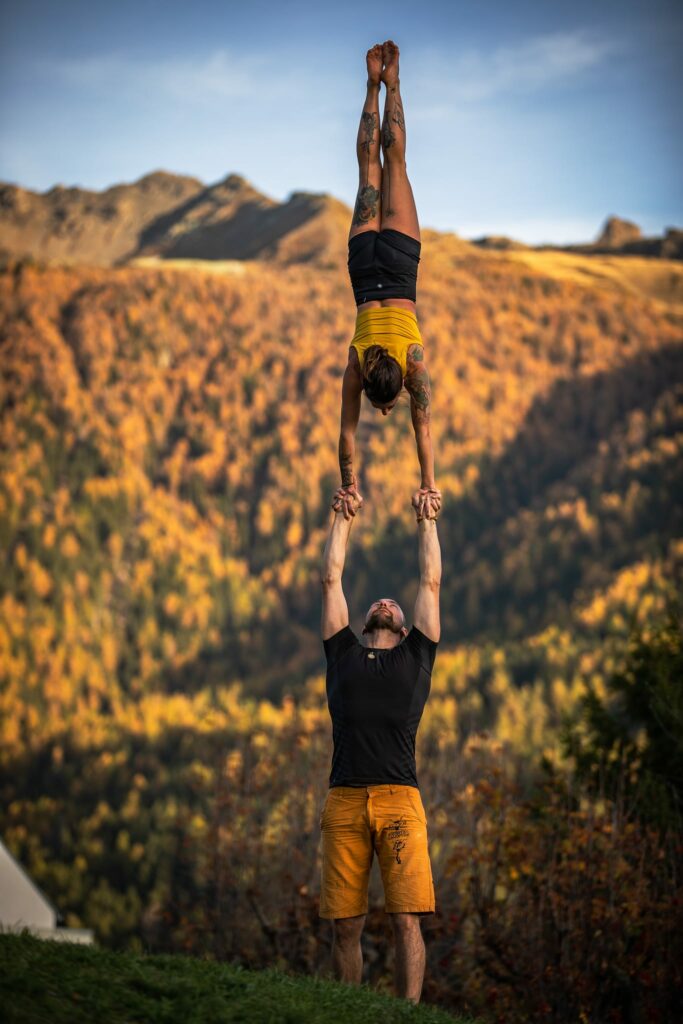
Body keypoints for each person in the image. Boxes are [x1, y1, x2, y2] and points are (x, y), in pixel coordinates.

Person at [318, 487, 441, 1002]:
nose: (387, 601)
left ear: (406, 624)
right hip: (344, 799)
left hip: (399, 801)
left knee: (406, 920)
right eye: (379, 601)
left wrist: (426, 520)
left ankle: (407, 1013)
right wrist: (342, 519)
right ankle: (350, 1008)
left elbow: (431, 579)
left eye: (394, 603)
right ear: (368, 621)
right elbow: (330, 578)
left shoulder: (416, 657)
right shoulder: (341, 652)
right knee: (345, 926)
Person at [336, 40, 441, 523]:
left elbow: (424, 431)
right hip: (363, 269)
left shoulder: (414, 367)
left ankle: (392, 81)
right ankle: (370, 84)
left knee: (394, 164)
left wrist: (430, 485)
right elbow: (345, 437)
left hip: (399, 267)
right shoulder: (357, 367)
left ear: (397, 390)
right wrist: (348, 484)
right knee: (368, 168)